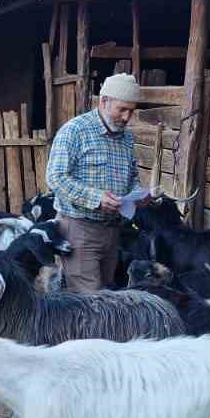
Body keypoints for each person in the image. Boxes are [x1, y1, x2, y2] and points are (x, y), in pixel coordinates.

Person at [45, 73, 150, 292]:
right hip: (79, 230)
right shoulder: (75, 131)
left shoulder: (126, 138)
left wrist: (138, 194)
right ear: (103, 101)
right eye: (122, 109)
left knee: (105, 295)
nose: (127, 117)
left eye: (131, 110)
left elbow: (132, 177)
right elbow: (55, 177)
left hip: (112, 232)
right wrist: (96, 198)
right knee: (91, 301)